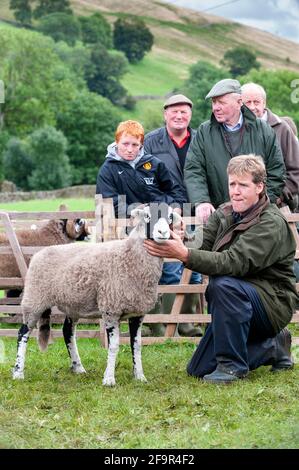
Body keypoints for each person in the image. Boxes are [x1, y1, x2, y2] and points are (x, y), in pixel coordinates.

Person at [144, 154, 298, 384]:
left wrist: (183, 254)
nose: (235, 191)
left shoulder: (270, 223)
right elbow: (200, 243)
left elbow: (232, 263)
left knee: (222, 283)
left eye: (243, 185)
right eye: (232, 184)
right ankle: (273, 345)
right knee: (197, 369)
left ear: (259, 187)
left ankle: (232, 367)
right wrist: (180, 237)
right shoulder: (225, 212)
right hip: (237, 301)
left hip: (271, 302)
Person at [184, 78, 286, 224]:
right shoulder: (204, 132)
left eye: (221, 102)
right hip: (218, 218)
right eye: (214, 102)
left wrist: (260, 205)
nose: (215, 108)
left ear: (239, 103)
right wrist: (201, 201)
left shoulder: (263, 130)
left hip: (257, 218)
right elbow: (193, 170)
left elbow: (276, 171)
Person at [144, 94, 202, 337]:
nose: (179, 116)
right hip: (160, 212)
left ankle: (189, 323)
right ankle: (164, 324)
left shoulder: (201, 139)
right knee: (166, 266)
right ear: (165, 114)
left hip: (194, 209)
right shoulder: (150, 141)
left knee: (195, 263)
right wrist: (169, 206)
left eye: (184, 112)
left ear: (190, 115)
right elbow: (146, 181)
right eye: (174, 112)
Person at [96, 120, 186, 217]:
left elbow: (174, 190)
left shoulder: (155, 163)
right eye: (125, 144)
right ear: (117, 142)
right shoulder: (107, 170)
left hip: (162, 220)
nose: (130, 149)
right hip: (126, 224)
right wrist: (136, 211)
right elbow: (109, 203)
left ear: (141, 145)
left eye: (135, 145)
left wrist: (177, 208)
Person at [241, 82, 299, 211]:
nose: (252, 107)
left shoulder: (282, 128)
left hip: (278, 206)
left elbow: (296, 169)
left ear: (264, 103)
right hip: (243, 204)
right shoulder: (236, 129)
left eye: (256, 102)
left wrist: (280, 194)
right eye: (248, 102)